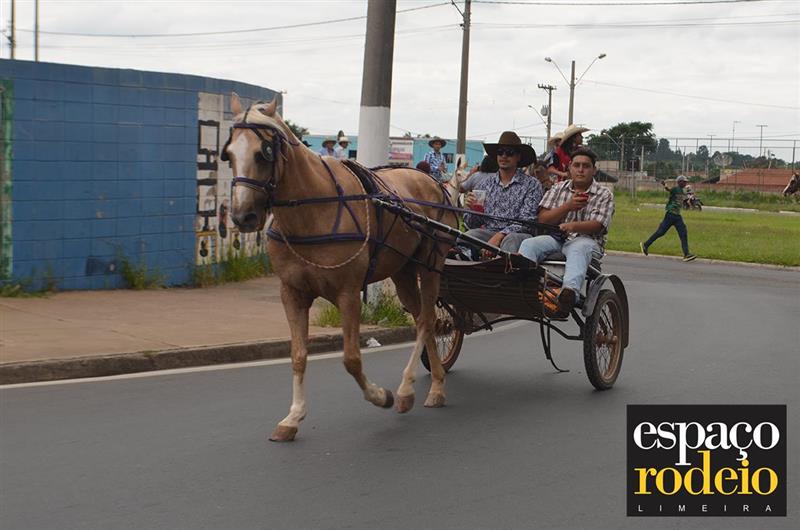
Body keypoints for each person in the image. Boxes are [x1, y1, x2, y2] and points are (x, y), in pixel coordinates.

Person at [518, 147, 615, 316]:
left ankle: (569, 294)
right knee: (528, 244)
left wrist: (573, 226)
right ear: (570, 168)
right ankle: (525, 289)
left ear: (594, 170)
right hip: (557, 238)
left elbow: (598, 225)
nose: (580, 170)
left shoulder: (603, 194)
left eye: (586, 166)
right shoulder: (558, 188)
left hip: (587, 241)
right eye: (576, 165)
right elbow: (542, 219)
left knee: (579, 248)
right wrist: (567, 207)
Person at [460, 131, 543, 255]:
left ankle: (504, 267)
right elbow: (471, 224)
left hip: (518, 235)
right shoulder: (484, 184)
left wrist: (499, 236)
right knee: (466, 237)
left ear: (518, 157)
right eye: (500, 152)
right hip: (489, 233)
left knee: (511, 240)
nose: (504, 156)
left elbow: (527, 221)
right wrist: (472, 209)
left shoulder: (532, 185)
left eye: (509, 153)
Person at [640, 175, 696, 262]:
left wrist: (689, 201)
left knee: (683, 233)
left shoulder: (682, 191)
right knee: (660, 232)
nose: (685, 183)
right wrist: (664, 185)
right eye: (684, 181)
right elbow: (669, 190)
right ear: (679, 182)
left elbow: (685, 200)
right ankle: (646, 244)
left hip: (677, 216)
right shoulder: (675, 189)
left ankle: (686, 254)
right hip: (670, 214)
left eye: (686, 182)